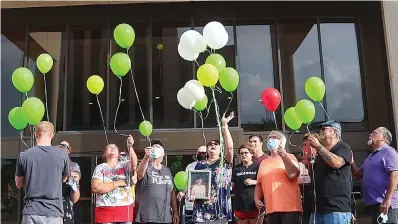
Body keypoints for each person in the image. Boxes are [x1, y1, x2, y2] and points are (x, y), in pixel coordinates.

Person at [15, 121, 69, 224]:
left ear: (35, 134)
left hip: (32, 210)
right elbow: (64, 179)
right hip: (54, 211)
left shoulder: (24, 156)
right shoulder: (62, 155)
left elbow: (19, 184)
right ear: (52, 135)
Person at [303, 120, 353, 224]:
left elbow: (336, 163)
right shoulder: (319, 155)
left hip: (336, 209)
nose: (321, 131)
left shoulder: (343, 147)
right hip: (317, 209)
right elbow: (314, 177)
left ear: (334, 132)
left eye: (324, 129)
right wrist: (308, 165)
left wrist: (318, 146)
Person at [192, 112, 235, 224]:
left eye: (216, 144)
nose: (213, 145)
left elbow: (230, 148)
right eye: (210, 144)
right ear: (206, 149)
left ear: (221, 149)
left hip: (219, 209)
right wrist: (191, 193)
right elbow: (195, 184)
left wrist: (224, 126)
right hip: (202, 210)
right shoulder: (200, 164)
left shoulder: (224, 162)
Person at [351, 127, 398, 224]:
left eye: (374, 133)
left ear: (383, 138)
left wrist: (387, 200)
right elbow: (358, 175)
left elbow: (395, 176)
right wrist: (351, 161)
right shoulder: (370, 157)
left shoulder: (388, 151)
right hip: (374, 205)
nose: (370, 135)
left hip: (386, 205)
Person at [254, 131, 302, 224]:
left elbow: (293, 175)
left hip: (290, 207)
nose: (271, 139)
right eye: (269, 138)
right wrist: (256, 198)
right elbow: (259, 183)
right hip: (271, 208)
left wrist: (284, 156)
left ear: (282, 141)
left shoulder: (290, 156)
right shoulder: (264, 162)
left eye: (274, 137)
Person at [91, 135, 138, 224]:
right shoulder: (100, 168)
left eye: (114, 148)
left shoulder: (124, 165)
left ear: (118, 154)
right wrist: (118, 183)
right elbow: (96, 188)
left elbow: (134, 163)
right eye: (109, 148)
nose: (112, 148)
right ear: (105, 154)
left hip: (125, 210)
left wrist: (130, 147)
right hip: (105, 209)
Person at [135, 140, 179, 224]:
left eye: (158, 148)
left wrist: (175, 212)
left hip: (165, 218)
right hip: (147, 218)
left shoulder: (167, 170)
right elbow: (139, 175)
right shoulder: (145, 166)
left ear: (163, 154)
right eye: (154, 148)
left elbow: (172, 192)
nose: (156, 149)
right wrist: (146, 157)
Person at [232, 142, 261, 224]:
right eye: (241, 153)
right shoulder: (236, 168)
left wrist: (254, 182)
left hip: (254, 204)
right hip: (240, 205)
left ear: (251, 153)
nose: (243, 155)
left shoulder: (258, 167)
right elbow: (232, 184)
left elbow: (264, 182)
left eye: (246, 153)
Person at [58, 141, 81, 224]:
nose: (62, 149)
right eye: (60, 147)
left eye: (65, 147)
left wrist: (72, 177)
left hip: (66, 204)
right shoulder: (53, 163)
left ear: (69, 151)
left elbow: (76, 177)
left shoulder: (73, 165)